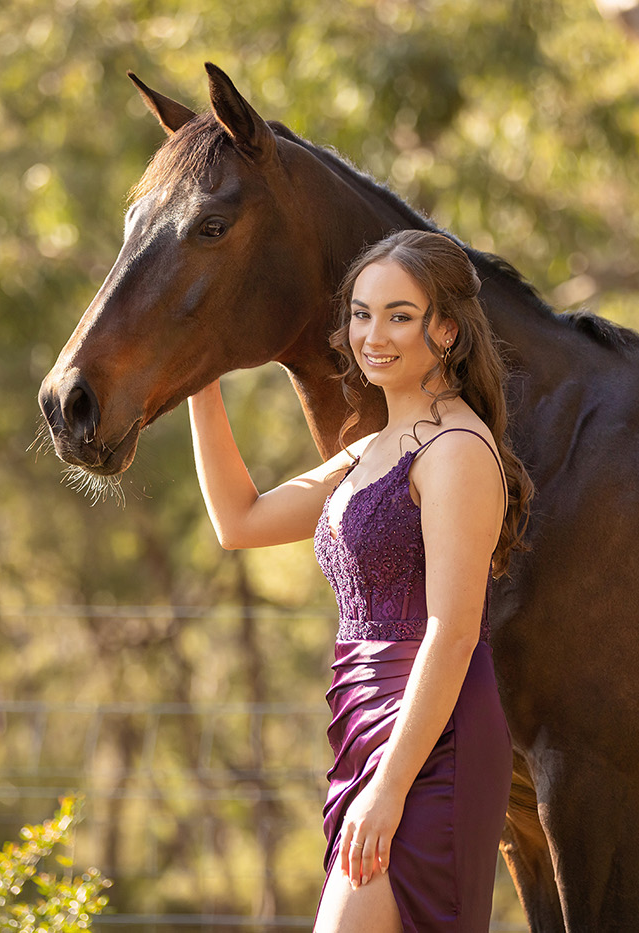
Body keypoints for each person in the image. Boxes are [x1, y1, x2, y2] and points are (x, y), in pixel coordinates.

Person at [187, 229, 533, 932]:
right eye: (362, 313)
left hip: (432, 739)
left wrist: (392, 783)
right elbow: (239, 519)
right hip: (363, 729)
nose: (373, 334)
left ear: (446, 328)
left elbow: (454, 629)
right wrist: (201, 378)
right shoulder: (371, 449)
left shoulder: (457, 451)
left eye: (400, 315)